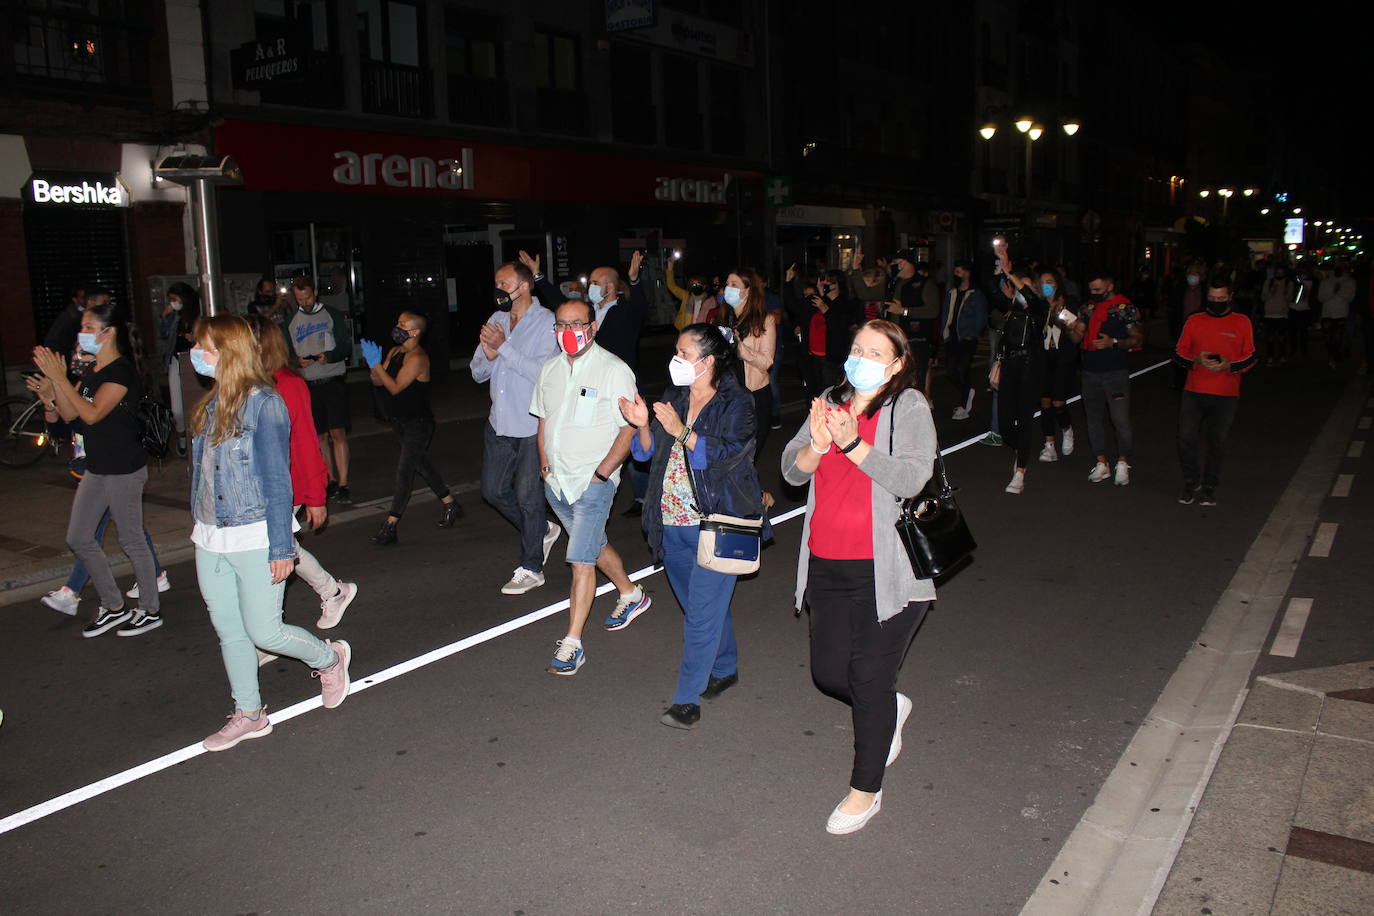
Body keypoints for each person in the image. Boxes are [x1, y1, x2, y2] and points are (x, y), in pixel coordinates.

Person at [781, 318, 937, 835]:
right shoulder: (830, 401)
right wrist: (818, 444)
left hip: (886, 570)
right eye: (856, 349)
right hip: (826, 563)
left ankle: (865, 792)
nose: (861, 359)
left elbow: (913, 477)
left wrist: (853, 446)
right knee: (829, 674)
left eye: (874, 352)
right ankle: (890, 708)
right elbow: (791, 470)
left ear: (896, 364)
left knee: (868, 678)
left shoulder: (908, 406)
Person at [187, 315, 353, 751]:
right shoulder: (210, 404)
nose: (196, 354)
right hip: (211, 536)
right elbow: (204, 477)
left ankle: (330, 658)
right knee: (230, 631)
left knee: (265, 632)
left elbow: (278, 481)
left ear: (227, 351)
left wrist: (282, 546)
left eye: (204, 347)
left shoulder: (265, 403)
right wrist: (199, 523)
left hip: (254, 534)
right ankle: (249, 713)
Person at [618, 323, 766, 729]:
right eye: (677, 351)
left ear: (709, 360)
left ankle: (687, 701)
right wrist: (642, 424)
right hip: (670, 520)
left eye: (684, 353)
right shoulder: (676, 395)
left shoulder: (737, 402)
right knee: (700, 606)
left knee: (700, 615)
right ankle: (725, 666)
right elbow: (647, 455)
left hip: (716, 521)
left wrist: (681, 431)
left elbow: (730, 455)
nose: (676, 359)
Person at [533, 299, 650, 675]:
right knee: (594, 545)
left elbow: (629, 428)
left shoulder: (613, 370)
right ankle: (631, 594)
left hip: (592, 484)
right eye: (561, 324)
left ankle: (572, 645)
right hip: (558, 483)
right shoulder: (549, 368)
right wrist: (545, 466)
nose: (568, 331)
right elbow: (543, 421)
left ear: (593, 327)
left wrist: (602, 474)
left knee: (580, 560)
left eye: (576, 324)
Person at [31, 301, 161, 636]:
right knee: (78, 537)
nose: (82, 333)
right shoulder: (93, 372)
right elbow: (71, 415)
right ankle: (114, 605)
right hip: (98, 467)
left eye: (88, 327)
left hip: (124, 468)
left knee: (131, 539)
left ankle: (150, 609)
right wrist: (52, 393)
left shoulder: (121, 372)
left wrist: (60, 379)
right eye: (82, 327)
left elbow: (91, 414)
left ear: (108, 333)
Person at [244, 314, 358, 632]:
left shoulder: (288, 384)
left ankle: (270, 630)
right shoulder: (245, 382)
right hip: (255, 486)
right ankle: (332, 592)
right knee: (277, 547)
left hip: (284, 484)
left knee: (275, 548)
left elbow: (307, 441)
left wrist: (316, 496)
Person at [471, 261, 562, 595]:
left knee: (528, 497)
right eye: (496, 282)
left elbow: (544, 374)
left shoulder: (547, 322)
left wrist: (504, 348)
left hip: (531, 423)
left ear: (523, 286)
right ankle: (541, 530)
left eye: (504, 283)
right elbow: (477, 372)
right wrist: (490, 355)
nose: (498, 289)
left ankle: (532, 567)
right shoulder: (496, 319)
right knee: (492, 491)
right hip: (499, 421)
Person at [362, 311, 462, 545]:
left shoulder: (418, 358)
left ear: (415, 331)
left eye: (402, 325)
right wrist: (373, 367)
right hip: (399, 421)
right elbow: (378, 381)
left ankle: (390, 525)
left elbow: (395, 388)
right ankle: (451, 504)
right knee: (421, 465)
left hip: (418, 424)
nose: (397, 328)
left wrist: (377, 365)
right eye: (397, 323)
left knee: (404, 471)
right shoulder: (395, 352)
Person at [1172, 273, 1257, 506]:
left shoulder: (1242, 322)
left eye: (1220, 298)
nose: (1215, 302)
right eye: (1211, 298)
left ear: (1230, 297)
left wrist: (1230, 364)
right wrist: (1196, 359)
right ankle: (1191, 481)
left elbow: (1251, 356)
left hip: (1226, 393)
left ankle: (1209, 486)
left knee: (1216, 441)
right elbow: (1179, 353)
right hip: (1194, 390)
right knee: (1185, 437)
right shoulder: (1194, 320)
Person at [1069, 273, 1143, 486]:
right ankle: (1101, 462)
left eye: (1098, 290)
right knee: (1093, 420)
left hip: (1115, 373)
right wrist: (1069, 325)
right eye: (1091, 289)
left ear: (1110, 286)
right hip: (1090, 372)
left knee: (1120, 420)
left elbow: (1138, 338)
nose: (1094, 293)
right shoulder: (1087, 308)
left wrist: (1114, 342)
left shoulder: (1125, 308)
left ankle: (1123, 461)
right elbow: (1076, 338)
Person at [990, 244, 1053, 494]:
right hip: (1010, 365)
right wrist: (1001, 268)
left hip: (1031, 366)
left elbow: (1030, 296)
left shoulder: (1040, 309)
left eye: (1024, 288)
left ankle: (1020, 472)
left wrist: (1011, 273)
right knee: (1006, 424)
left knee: (1025, 419)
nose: (1019, 292)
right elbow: (991, 291)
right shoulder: (1012, 310)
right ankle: (1022, 449)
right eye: (1017, 288)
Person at [287, 276, 353, 502]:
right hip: (309, 385)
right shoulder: (291, 321)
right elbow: (284, 352)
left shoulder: (331, 314)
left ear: (315, 293)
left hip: (333, 380)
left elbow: (345, 346)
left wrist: (329, 356)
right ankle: (330, 480)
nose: (304, 302)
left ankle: (343, 483)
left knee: (338, 432)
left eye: (307, 297)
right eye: (299, 299)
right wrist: (296, 361)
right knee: (319, 435)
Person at [715, 268, 778, 456]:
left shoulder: (765, 321)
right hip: (726, 396)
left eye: (734, 284)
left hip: (754, 395)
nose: (728, 288)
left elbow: (767, 362)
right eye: (727, 284)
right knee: (728, 455)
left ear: (748, 291)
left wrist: (740, 348)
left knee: (749, 454)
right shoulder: (721, 319)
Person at [1036, 268, 1079, 463]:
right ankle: (1049, 445)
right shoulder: (1039, 305)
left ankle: (1066, 429)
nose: (1046, 286)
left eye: (1050, 282)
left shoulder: (1068, 303)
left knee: (1058, 403)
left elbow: (1074, 327)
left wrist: (1059, 312)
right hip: (1044, 357)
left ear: (1057, 283)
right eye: (1043, 282)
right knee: (1045, 401)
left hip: (1063, 358)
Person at [941, 259, 989, 420]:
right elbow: (946, 314)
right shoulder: (952, 292)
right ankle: (967, 391)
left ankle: (963, 405)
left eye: (959, 270)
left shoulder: (976, 294)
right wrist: (944, 332)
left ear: (968, 272)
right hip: (952, 336)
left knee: (962, 370)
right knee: (950, 371)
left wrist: (972, 333)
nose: (956, 273)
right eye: (955, 271)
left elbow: (981, 316)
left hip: (967, 337)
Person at [158, 282, 200, 454]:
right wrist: (164, 316)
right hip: (176, 360)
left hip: (195, 360)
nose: (172, 302)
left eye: (174, 298)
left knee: (196, 401)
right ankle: (182, 438)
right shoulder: (174, 314)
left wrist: (195, 337)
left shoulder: (199, 311)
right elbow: (163, 333)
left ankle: (195, 438)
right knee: (177, 408)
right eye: (170, 300)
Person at [1318, 263, 1355, 367]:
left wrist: (1339, 291)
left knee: (1338, 338)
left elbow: (1350, 297)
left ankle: (1335, 356)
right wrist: (1333, 291)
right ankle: (1332, 355)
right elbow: (1320, 298)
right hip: (1327, 314)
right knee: (1328, 338)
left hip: (1341, 314)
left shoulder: (1349, 282)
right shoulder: (1326, 282)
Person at [665, 257, 716, 330]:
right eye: (693, 284)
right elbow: (672, 286)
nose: (695, 286)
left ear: (704, 286)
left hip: (701, 331)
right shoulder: (686, 296)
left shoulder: (709, 300)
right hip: (686, 330)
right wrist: (670, 268)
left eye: (698, 284)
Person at [1261, 267, 1294, 366]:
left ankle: (1282, 357)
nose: (1279, 274)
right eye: (1278, 272)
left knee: (1282, 338)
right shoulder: (1269, 282)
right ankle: (1270, 357)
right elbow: (1263, 297)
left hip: (1282, 314)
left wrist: (1285, 293)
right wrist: (1272, 291)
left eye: (1281, 272)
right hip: (1269, 314)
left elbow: (1290, 298)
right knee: (1270, 338)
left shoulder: (1289, 283)